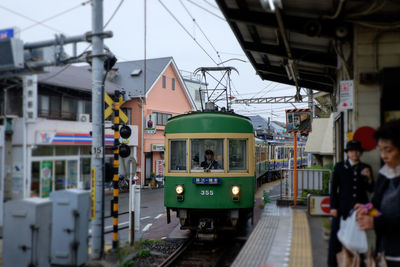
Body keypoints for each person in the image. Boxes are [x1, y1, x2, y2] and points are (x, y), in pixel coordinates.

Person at [357, 119, 400, 267]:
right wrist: (367, 209)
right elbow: (377, 207)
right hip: (384, 254)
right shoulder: (385, 174)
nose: (383, 156)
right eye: (381, 150)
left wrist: (375, 222)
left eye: (388, 150)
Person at [328, 140, 374, 267]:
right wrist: (333, 207)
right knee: (336, 240)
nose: (355, 153)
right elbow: (333, 189)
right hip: (342, 209)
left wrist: (369, 178)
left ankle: (357, 264)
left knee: (357, 240)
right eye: (352, 151)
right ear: (347, 153)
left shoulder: (366, 168)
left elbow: (371, 189)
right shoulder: (339, 167)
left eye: (358, 151)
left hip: (359, 212)